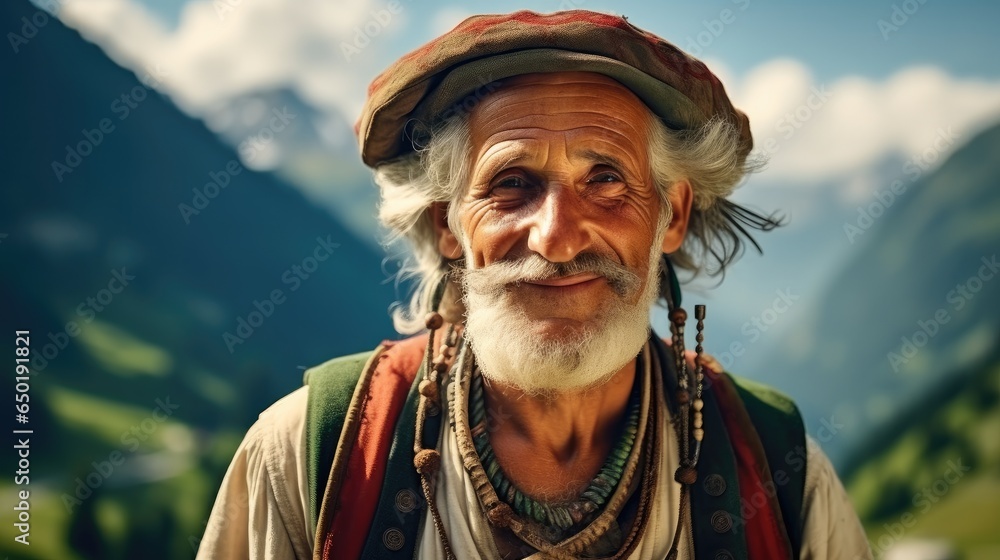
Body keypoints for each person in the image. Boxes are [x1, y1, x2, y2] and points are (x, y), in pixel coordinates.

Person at [197, 10, 873, 560]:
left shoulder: (776, 468)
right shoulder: (308, 457)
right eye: (511, 183)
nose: (557, 237)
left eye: (605, 179)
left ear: (673, 215)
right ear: (448, 226)